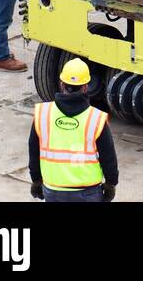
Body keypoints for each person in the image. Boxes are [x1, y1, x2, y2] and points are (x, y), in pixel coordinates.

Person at [29, 58, 118, 202]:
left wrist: (36, 180)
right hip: (87, 193)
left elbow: (33, 151)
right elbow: (108, 157)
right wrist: (110, 184)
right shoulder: (95, 118)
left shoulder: (43, 114)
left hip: (53, 191)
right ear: (85, 87)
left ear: (61, 84)